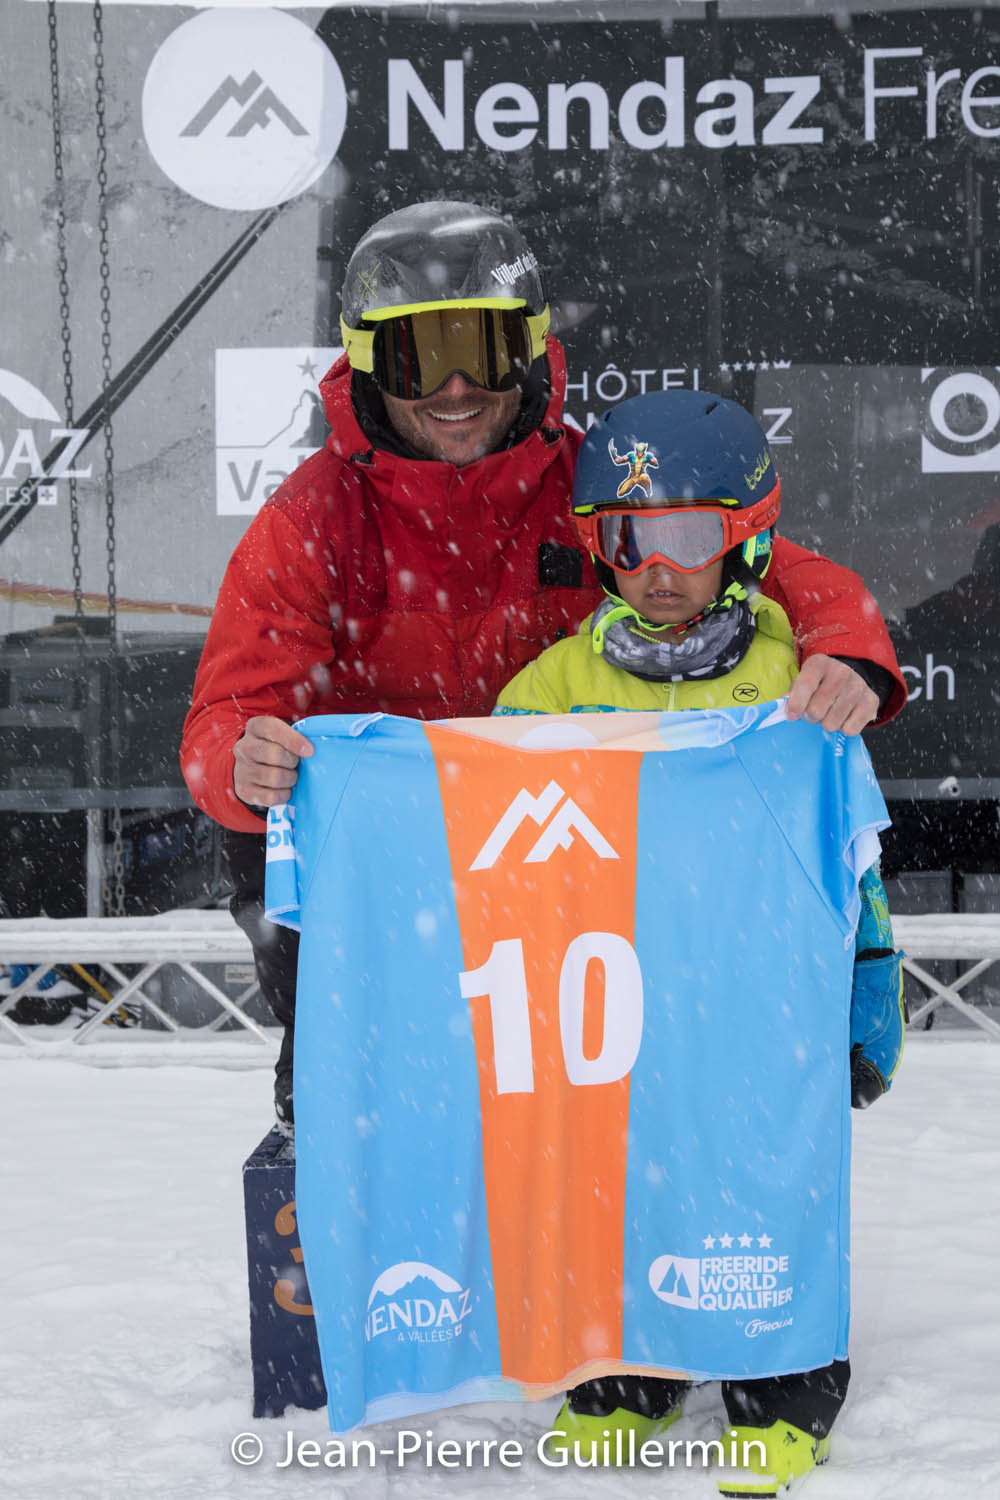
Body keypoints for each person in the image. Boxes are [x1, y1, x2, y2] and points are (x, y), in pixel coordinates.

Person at [180, 199, 905, 1135]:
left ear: (526, 352)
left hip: (566, 855)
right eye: (415, 357)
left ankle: (659, 1111)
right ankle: (340, 1078)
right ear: (365, 365)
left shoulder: (590, 481)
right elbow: (226, 719)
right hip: (394, 853)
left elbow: (777, 566)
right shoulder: (314, 518)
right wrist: (244, 763)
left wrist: (848, 650)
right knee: (271, 829)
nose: (453, 388)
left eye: (481, 353)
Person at [496, 389, 905, 1498]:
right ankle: (630, 1373)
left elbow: (853, 864)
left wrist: (869, 1000)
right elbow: (494, 845)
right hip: (615, 1005)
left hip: (764, 1010)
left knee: (768, 1185)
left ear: (746, 537)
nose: (657, 569)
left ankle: (784, 1383)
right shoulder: (551, 689)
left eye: (687, 535)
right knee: (616, 1190)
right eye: (628, 539)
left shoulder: (799, 679)